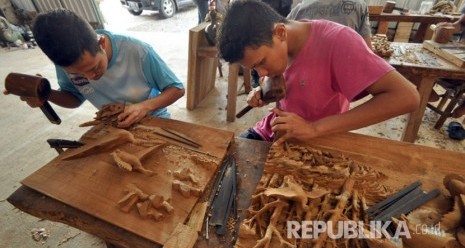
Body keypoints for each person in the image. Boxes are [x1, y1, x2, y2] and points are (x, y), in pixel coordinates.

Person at [217, 0, 419, 145]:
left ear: (280, 33)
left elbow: (407, 96)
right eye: (254, 68)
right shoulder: (284, 33)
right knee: (229, 159)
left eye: (261, 62)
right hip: (274, 130)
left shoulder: (338, 41)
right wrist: (263, 91)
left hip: (316, 142)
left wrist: (313, 128)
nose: (262, 72)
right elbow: (288, 79)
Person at [6, 9, 184, 128]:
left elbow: (177, 89)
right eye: (77, 74)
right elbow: (75, 98)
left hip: (154, 120)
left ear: (100, 43)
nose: (89, 77)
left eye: (93, 67)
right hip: (111, 125)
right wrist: (45, 94)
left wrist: (145, 107)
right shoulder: (67, 62)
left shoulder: (137, 51)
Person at [287, 0, 372, 49]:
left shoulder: (298, 9)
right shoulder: (359, 5)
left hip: (306, 75)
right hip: (344, 72)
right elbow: (367, 49)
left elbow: (282, 46)